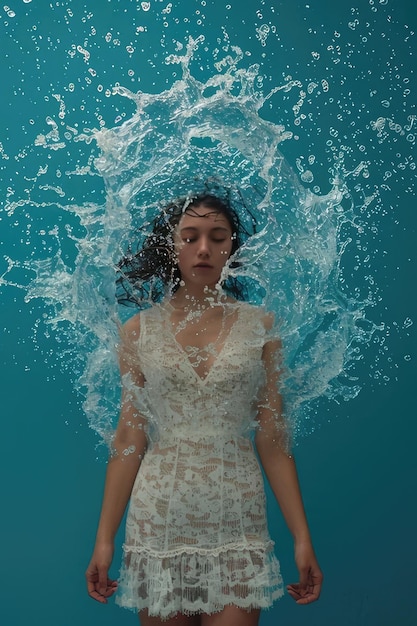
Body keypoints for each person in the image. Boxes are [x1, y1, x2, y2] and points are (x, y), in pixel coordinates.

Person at [85, 193, 323, 625]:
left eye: (217, 237)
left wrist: (301, 536)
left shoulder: (263, 328)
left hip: (237, 514)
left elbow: (273, 439)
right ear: (171, 245)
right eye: (190, 237)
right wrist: (104, 539)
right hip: (160, 514)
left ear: (232, 246)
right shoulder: (137, 331)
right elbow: (128, 437)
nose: (204, 249)